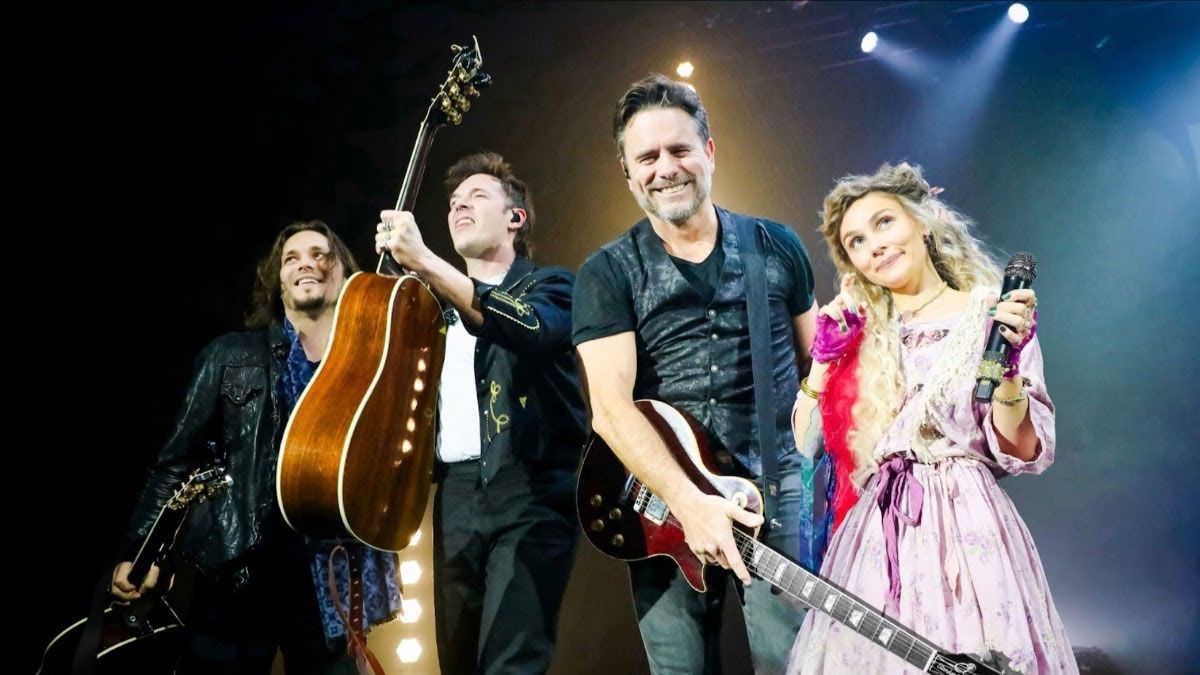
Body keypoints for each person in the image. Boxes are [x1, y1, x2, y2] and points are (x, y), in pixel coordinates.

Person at [787, 163, 1077, 674]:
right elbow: (806, 444)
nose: (874, 246)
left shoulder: (990, 314)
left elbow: (1021, 448)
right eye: (856, 242)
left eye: (884, 223)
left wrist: (1008, 371)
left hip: (967, 527)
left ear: (922, 223)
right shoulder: (859, 330)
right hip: (878, 533)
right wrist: (823, 362)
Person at [572, 74, 819, 674]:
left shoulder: (776, 246)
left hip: (778, 491)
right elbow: (610, 410)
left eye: (679, 149)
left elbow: (820, 370)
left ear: (709, 151)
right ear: (628, 174)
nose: (666, 168)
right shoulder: (608, 272)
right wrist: (689, 502)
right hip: (661, 505)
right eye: (647, 158)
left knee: (795, 665)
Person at [113, 220, 400, 674]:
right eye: (292, 258)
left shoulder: (370, 364)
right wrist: (140, 552)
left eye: (321, 254)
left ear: (345, 273)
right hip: (240, 569)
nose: (306, 264)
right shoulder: (229, 356)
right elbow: (175, 461)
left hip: (328, 573)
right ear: (277, 280)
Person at [376, 151, 587, 674]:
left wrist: (426, 260)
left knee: (510, 659)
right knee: (456, 661)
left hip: (530, 488)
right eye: (453, 202)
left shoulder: (553, 286)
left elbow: (530, 328)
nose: (459, 207)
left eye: (477, 196)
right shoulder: (433, 310)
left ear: (515, 218)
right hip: (455, 494)